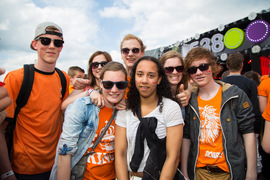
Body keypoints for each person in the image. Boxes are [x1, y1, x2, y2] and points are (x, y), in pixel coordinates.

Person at [0, 22, 69, 180]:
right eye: (45, 41)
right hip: (25, 169)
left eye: (57, 43)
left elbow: (62, 115)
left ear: (61, 47)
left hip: (56, 165)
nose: (51, 46)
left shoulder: (63, 77)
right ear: (35, 44)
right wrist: (6, 173)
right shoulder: (17, 78)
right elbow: (1, 129)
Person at [181, 47, 257, 180]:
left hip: (229, 173)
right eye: (193, 69)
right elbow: (186, 137)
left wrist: (251, 172)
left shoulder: (235, 95)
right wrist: (184, 172)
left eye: (203, 67)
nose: (198, 72)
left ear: (213, 66)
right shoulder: (190, 100)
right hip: (199, 172)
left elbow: (248, 133)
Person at [50, 61, 128, 180]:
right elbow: (65, 152)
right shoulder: (82, 107)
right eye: (108, 84)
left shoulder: (125, 111)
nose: (114, 89)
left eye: (120, 85)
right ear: (101, 84)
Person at [115, 56, 184, 179]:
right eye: (140, 74)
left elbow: (172, 157)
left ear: (159, 79)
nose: (144, 80)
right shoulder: (124, 109)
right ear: (134, 77)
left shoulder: (171, 108)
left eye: (151, 75)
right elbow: (120, 154)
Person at [159, 50, 191, 118]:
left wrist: (188, 92)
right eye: (169, 69)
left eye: (179, 68)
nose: (175, 72)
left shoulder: (186, 93)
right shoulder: (156, 96)